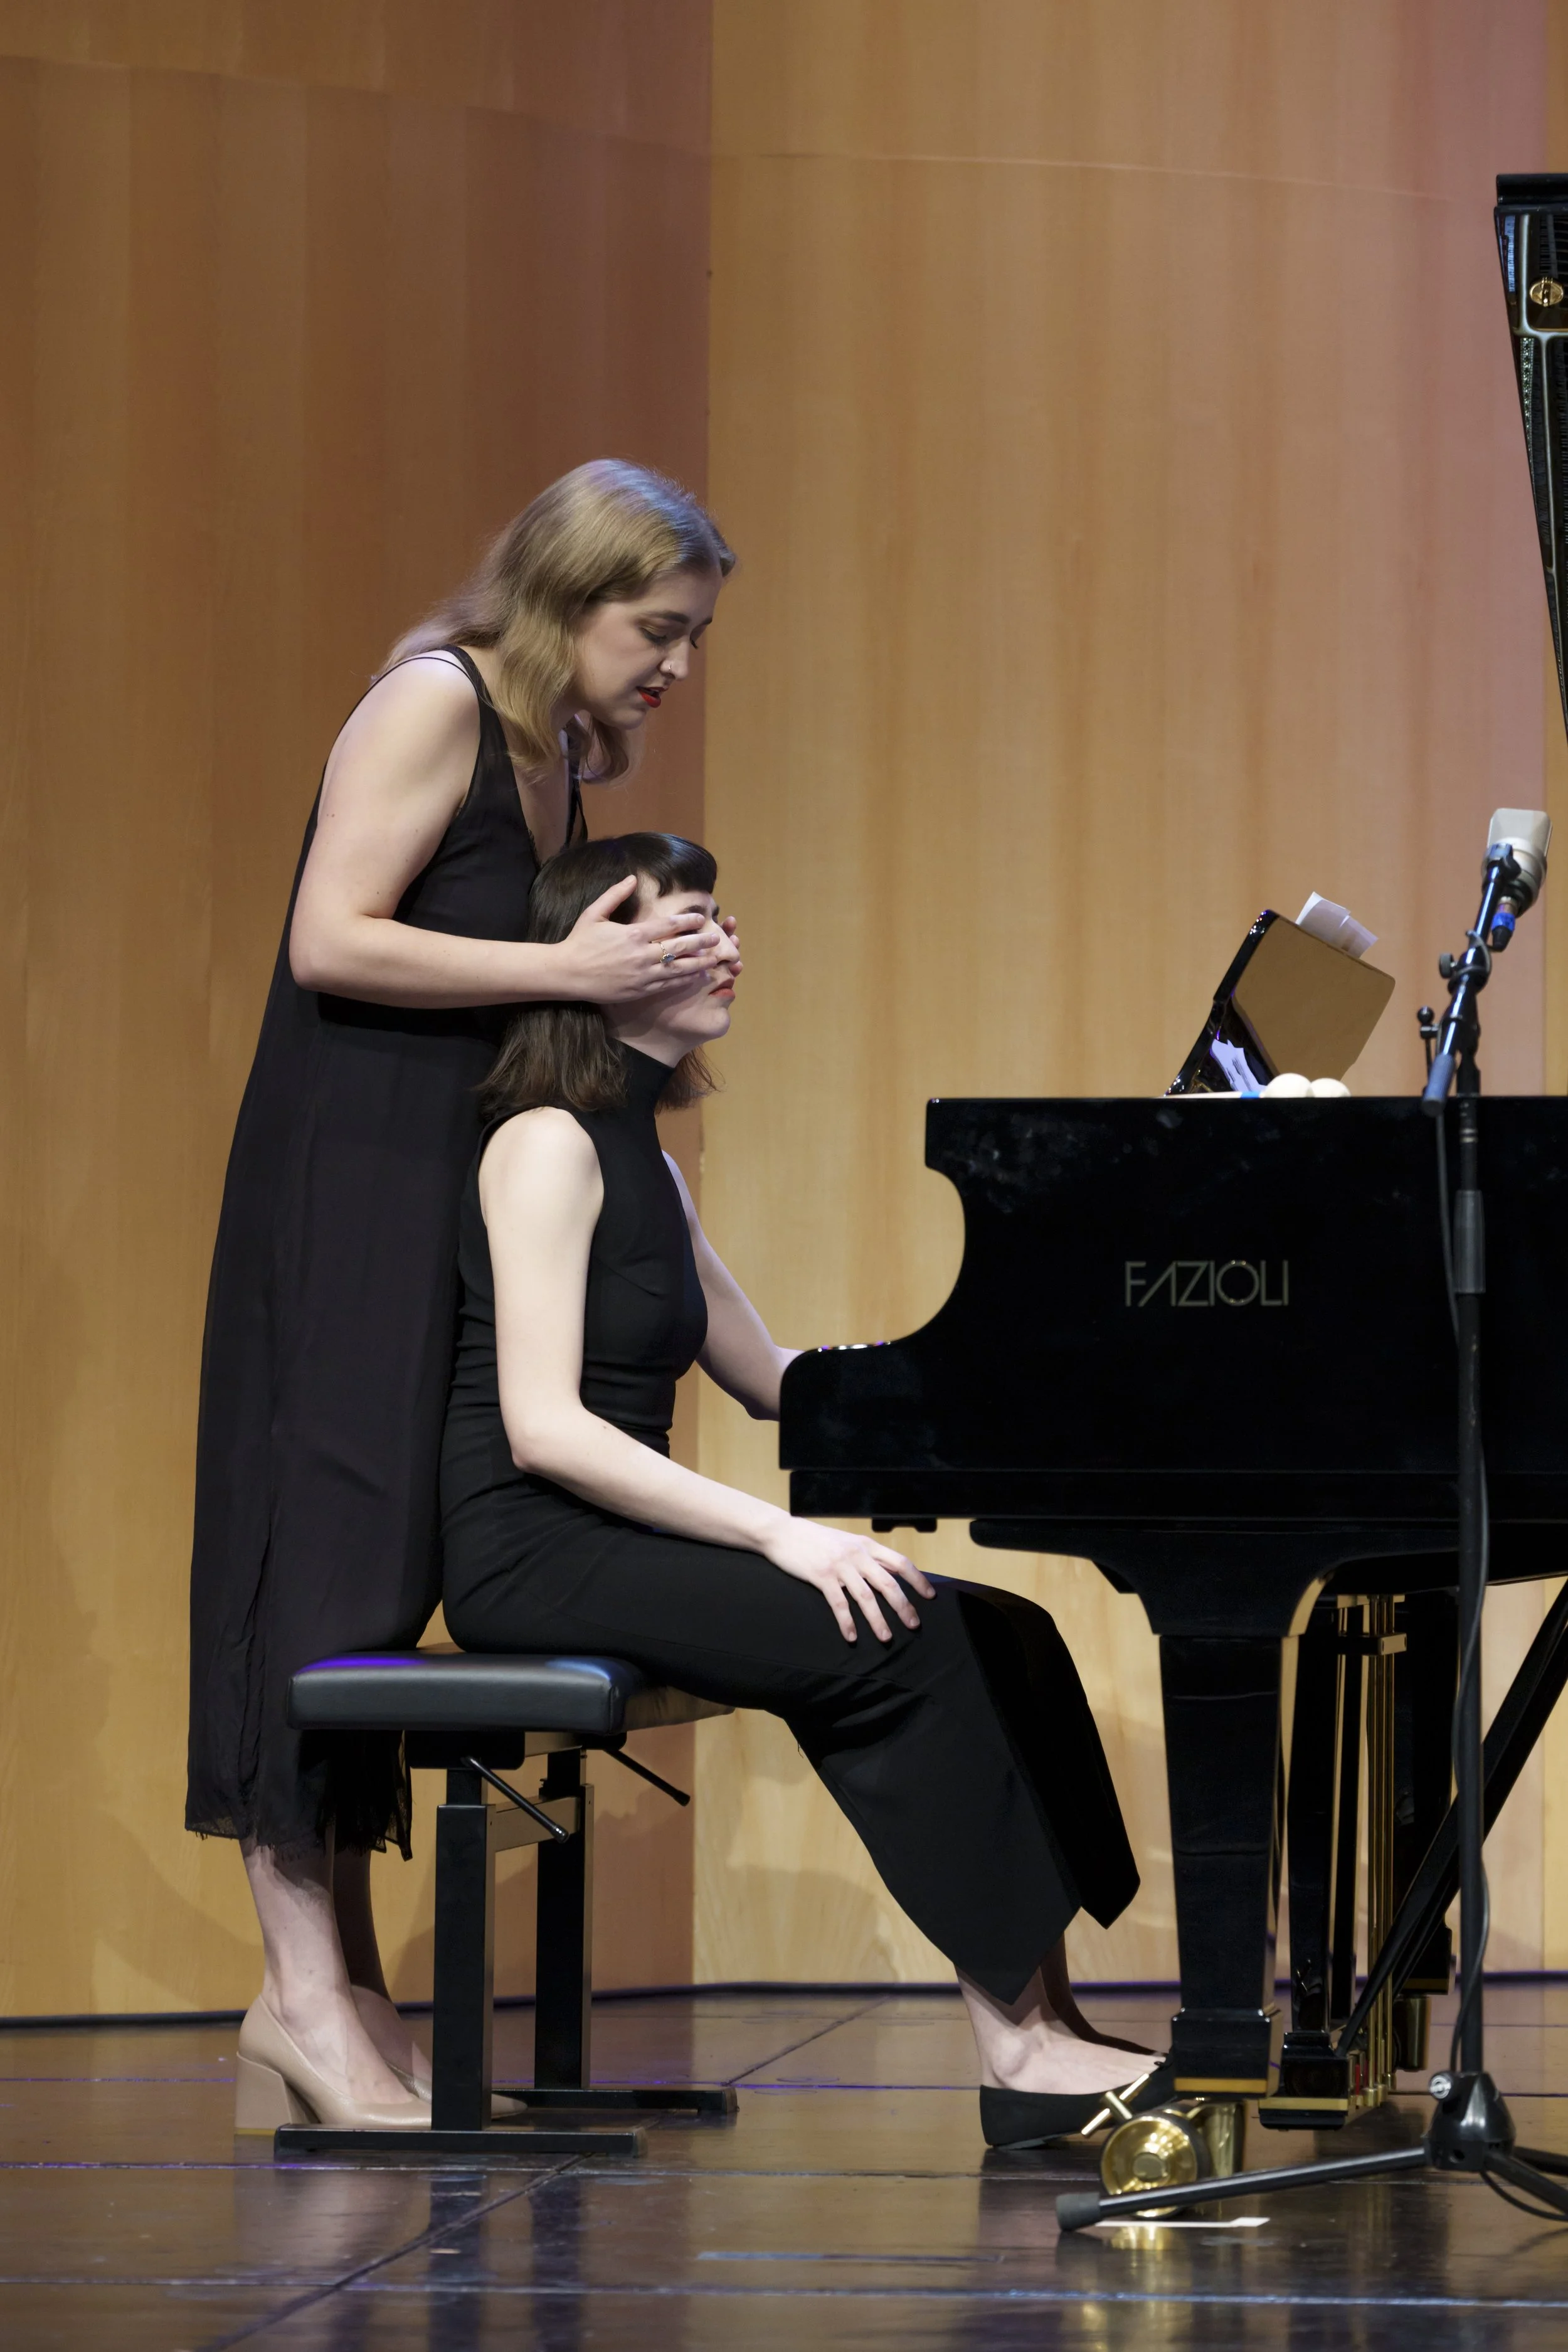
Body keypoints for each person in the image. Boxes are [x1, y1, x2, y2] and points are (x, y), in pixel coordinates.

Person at [438, 832, 1172, 2150]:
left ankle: (1050, 2019)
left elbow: (776, 1379)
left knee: (1005, 1626)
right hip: (530, 1547)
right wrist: (787, 1538)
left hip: (607, 1534)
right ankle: (1013, 2057)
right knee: (900, 1632)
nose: (723, 943)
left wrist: (1030, 1373)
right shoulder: (543, 1142)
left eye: (723, 917)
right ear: (591, 953)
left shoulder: (644, 1161)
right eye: (682, 923)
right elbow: (541, 1429)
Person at [189, 462, 734, 2132]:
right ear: (571, 593)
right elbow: (329, 940)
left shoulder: (546, 750)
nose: (672, 668)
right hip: (345, 1183)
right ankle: (298, 1988)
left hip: (438, 1184)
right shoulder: (431, 702)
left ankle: (344, 1986)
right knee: (320, 1560)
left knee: (384, 1568)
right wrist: (576, 970)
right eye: (659, 629)